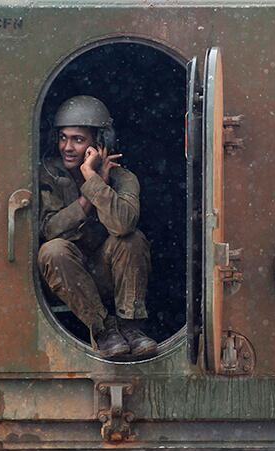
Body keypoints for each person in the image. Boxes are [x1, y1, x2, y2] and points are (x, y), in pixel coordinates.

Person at [38, 95, 157, 360]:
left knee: (132, 239)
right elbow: (50, 230)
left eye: (78, 140)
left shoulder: (123, 178)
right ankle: (104, 330)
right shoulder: (47, 175)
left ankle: (131, 327)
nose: (67, 147)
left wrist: (94, 180)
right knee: (53, 250)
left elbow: (123, 224)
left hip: (106, 271)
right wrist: (87, 197)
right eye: (63, 137)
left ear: (100, 144)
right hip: (68, 277)